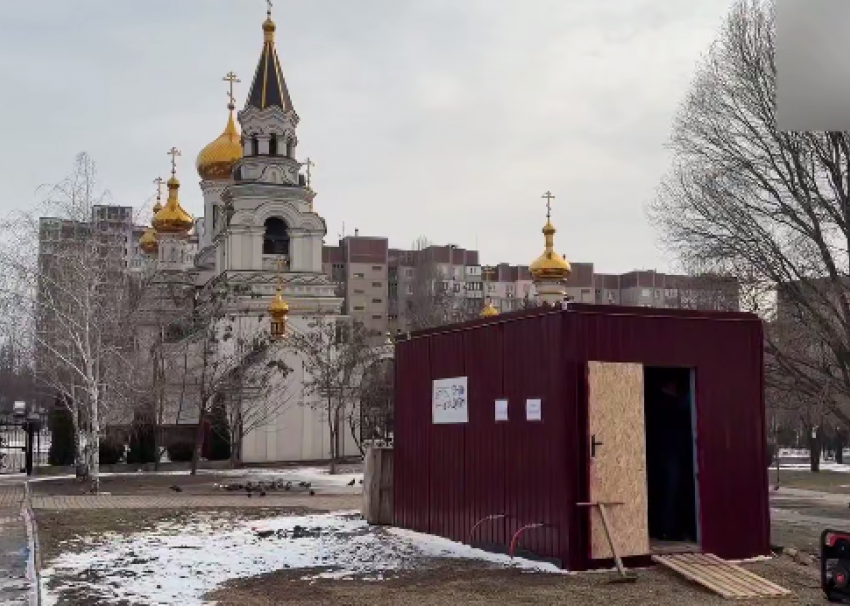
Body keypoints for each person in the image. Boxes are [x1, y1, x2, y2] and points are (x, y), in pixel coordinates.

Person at [654, 379, 693, 541]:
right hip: (670, 452)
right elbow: (684, 406)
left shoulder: (669, 403)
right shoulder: (667, 403)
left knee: (674, 490)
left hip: (673, 451)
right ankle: (668, 530)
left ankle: (672, 529)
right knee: (671, 490)